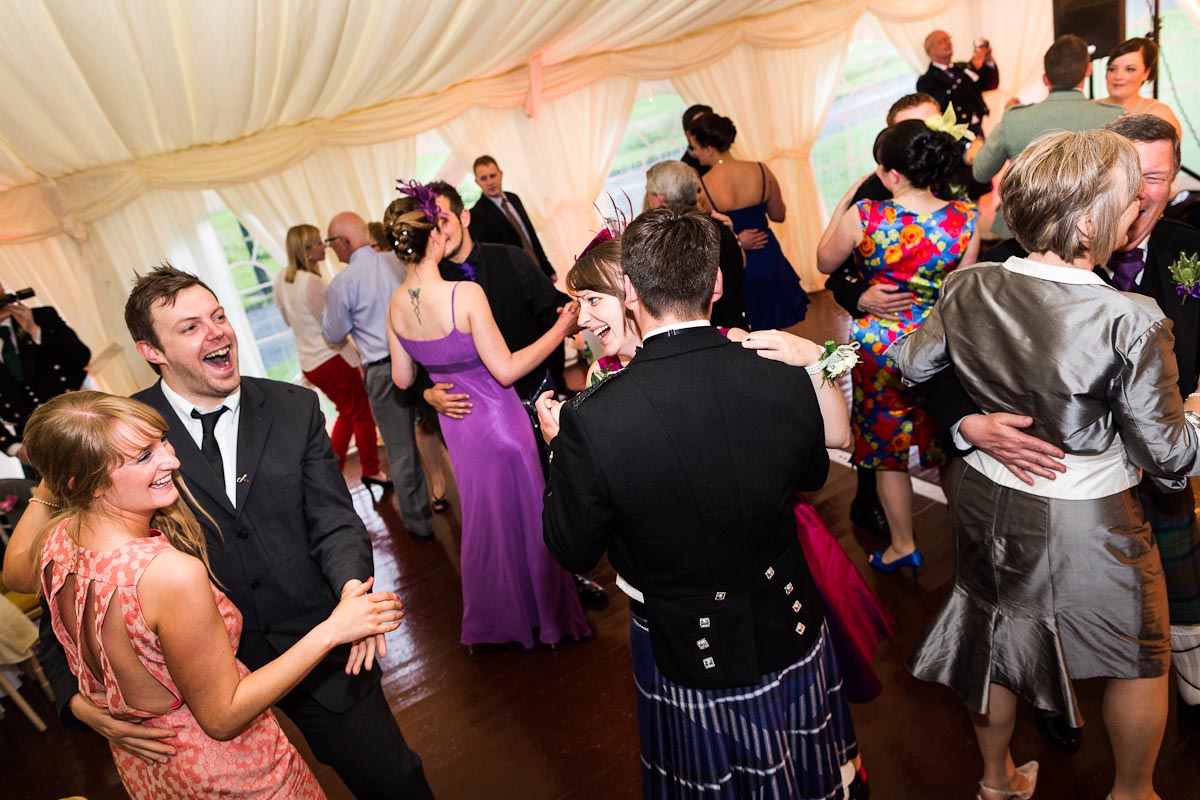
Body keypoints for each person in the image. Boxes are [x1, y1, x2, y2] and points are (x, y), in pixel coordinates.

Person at [29, 265, 434, 799]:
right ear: (151, 350)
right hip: (192, 686)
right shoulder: (124, 434)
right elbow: (73, 578)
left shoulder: (294, 407)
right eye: (191, 327)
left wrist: (351, 595)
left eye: (218, 316)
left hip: (318, 644)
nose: (217, 332)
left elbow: (334, 519)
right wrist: (75, 700)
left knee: (393, 780)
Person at [891, 128, 1200, 800]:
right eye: (1128, 197)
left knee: (991, 640)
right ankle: (1133, 794)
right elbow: (1168, 455)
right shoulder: (1130, 318)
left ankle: (997, 782)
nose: (1137, 207)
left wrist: (975, 416)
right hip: (1090, 519)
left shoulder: (968, 283)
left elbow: (912, 362)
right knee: (1139, 656)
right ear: (1088, 220)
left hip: (984, 494)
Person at [542, 207, 859, 799]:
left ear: (630, 291)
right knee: (806, 772)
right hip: (789, 616)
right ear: (715, 282)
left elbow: (573, 548)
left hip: (690, 642)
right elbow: (814, 471)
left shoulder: (593, 418)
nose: (584, 316)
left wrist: (561, 450)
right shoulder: (778, 371)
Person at [2, 392, 404, 799]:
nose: (171, 461)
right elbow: (223, 717)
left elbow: (14, 572)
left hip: (155, 770)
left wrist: (62, 461)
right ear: (83, 480)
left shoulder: (57, 541)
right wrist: (332, 631)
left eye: (163, 442)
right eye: (143, 456)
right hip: (231, 774)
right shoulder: (170, 574)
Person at [383, 181, 590, 649]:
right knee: (530, 519)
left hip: (460, 429)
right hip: (500, 418)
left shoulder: (395, 305)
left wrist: (433, 388)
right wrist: (561, 326)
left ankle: (499, 622)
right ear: (433, 237)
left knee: (484, 525)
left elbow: (401, 378)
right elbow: (506, 369)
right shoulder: (465, 294)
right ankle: (548, 617)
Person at [423, 180, 606, 607]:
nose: (438, 231)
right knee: (505, 511)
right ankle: (523, 589)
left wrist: (581, 312)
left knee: (555, 491)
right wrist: (427, 394)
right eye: (430, 223)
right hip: (481, 420)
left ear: (464, 216)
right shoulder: (432, 288)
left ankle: (568, 579)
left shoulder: (510, 258)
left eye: (444, 219)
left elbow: (554, 309)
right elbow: (416, 365)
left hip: (536, 398)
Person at [817, 119, 979, 574]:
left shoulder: (866, 216)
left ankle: (903, 545)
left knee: (886, 453)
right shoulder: (965, 219)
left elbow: (824, 260)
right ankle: (970, 538)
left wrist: (845, 202)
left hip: (880, 348)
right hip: (937, 342)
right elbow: (961, 294)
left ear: (891, 173)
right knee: (948, 438)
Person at [823, 92, 942, 541]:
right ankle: (868, 503)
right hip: (883, 336)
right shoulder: (873, 190)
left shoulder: (952, 182)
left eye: (930, 128)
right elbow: (830, 269)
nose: (922, 137)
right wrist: (861, 296)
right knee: (879, 430)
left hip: (941, 333)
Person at [322, 210, 446, 533]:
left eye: (331, 241)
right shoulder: (397, 261)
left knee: (401, 451)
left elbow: (333, 333)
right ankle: (480, 503)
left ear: (345, 242)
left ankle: (420, 526)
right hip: (421, 359)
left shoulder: (342, 284)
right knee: (447, 434)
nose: (331, 248)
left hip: (382, 370)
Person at [968, 35, 1124, 239]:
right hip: (1089, 230)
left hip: (1022, 231)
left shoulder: (1014, 118)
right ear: (1088, 70)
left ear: (1045, 79)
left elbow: (981, 171)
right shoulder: (1115, 118)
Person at [274, 224, 388, 487]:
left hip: (310, 362)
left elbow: (288, 320)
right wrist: (358, 356)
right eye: (317, 243)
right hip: (331, 360)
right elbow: (333, 328)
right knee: (362, 413)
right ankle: (371, 470)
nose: (324, 246)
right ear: (306, 251)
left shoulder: (282, 278)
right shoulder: (312, 282)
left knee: (347, 413)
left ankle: (332, 475)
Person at [689, 112, 809, 330]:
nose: (694, 154)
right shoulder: (761, 170)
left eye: (695, 148)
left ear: (709, 148)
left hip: (737, 265)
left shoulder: (702, 186)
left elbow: (707, 236)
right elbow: (778, 215)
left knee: (747, 330)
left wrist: (736, 239)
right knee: (777, 330)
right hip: (768, 256)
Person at [0, 281, 91, 471]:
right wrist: (14, 448)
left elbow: (80, 357)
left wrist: (35, 330)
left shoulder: (42, 317)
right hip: (31, 442)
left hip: (78, 419)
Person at [645, 160, 746, 329]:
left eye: (648, 192)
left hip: (708, 333)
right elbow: (740, 267)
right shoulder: (719, 226)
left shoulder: (671, 241)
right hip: (735, 322)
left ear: (660, 198)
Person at [467, 155, 556, 280]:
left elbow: (530, 235)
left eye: (492, 176)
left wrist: (547, 267)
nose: (490, 182)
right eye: (484, 178)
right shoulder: (477, 214)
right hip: (515, 279)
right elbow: (488, 258)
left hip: (539, 270)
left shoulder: (514, 198)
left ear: (501, 174)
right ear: (477, 182)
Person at [917, 30, 998, 139]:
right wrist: (971, 68)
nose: (948, 43)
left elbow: (990, 84)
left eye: (948, 40)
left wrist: (988, 60)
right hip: (954, 134)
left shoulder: (963, 67)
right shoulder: (926, 80)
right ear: (929, 51)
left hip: (978, 126)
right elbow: (945, 102)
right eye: (941, 41)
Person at [1099, 37, 1182, 136]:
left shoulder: (1159, 113)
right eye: (1112, 69)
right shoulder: (1089, 107)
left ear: (1146, 73)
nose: (1118, 77)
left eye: (1130, 69)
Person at [678, 103, 712, 177]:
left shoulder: (722, 152)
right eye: (701, 126)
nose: (708, 129)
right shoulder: (685, 170)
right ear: (688, 134)